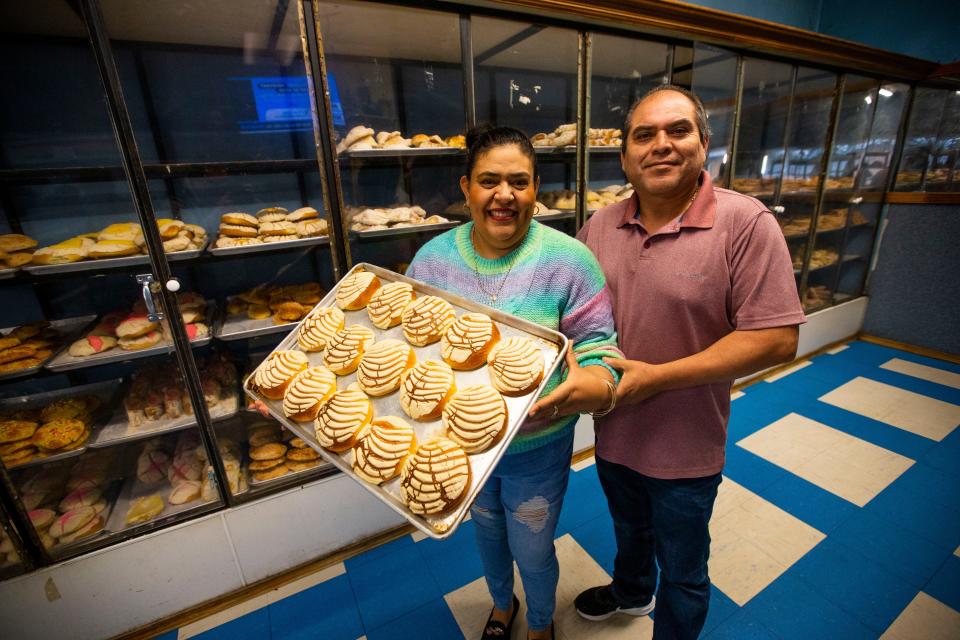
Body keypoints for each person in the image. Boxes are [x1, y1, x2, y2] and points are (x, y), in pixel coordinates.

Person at [572, 85, 805, 639]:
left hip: (687, 449)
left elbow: (776, 338)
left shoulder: (745, 224)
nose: (662, 145)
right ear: (625, 155)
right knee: (629, 532)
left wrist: (658, 379)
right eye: (644, 135)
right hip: (613, 434)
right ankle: (631, 592)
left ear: (704, 143)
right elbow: (572, 317)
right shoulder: (599, 227)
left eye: (678, 131)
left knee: (684, 568)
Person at [407, 124, 623, 640]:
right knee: (486, 535)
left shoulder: (568, 260)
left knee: (532, 543)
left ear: (535, 188)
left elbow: (600, 350)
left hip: (539, 447)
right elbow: (401, 345)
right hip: (463, 450)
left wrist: (589, 386)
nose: (504, 195)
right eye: (489, 181)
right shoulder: (432, 261)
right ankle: (502, 606)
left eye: (518, 182)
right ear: (466, 189)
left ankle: (542, 623)